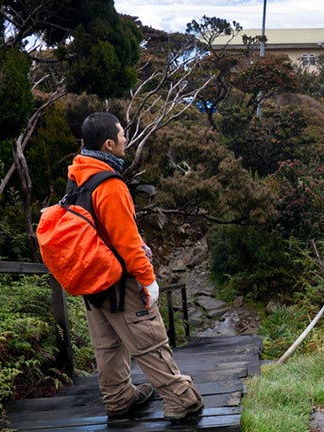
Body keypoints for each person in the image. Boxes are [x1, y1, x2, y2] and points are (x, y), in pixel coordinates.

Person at [68, 112, 203, 421]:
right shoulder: (110, 185)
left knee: (108, 345)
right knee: (149, 337)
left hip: (92, 280)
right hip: (119, 280)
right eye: (122, 135)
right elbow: (126, 241)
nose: (125, 140)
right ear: (108, 144)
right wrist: (148, 279)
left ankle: (118, 399)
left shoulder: (78, 176)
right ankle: (181, 399)